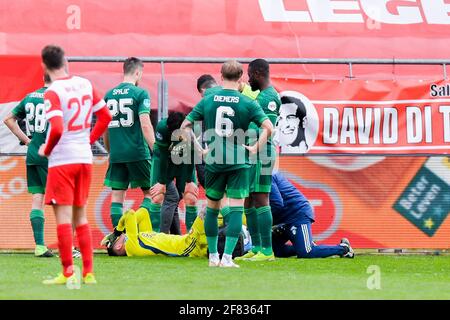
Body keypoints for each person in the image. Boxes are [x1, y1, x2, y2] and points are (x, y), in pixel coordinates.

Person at [181, 60, 273, 268]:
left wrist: (200, 149)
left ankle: (213, 257)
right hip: (238, 162)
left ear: (221, 76)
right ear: (241, 77)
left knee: (212, 209)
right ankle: (227, 258)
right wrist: (255, 147)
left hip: (213, 160)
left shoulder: (208, 99)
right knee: (236, 209)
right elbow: (269, 127)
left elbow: (185, 125)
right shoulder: (247, 102)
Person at [39, 45, 112, 285]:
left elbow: (58, 128)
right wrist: (88, 140)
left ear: (44, 65)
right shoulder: (84, 83)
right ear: (65, 61)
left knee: (63, 217)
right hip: (84, 158)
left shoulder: (53, 92)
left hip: (63, 160)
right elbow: (105, 117)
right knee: (80, 216)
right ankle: (89, 273)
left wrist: (46, 150)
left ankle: (68, 272)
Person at [3, 74, 54, 257]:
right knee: (64, 201)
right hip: (49, 155)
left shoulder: (30, 97)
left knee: (38, 198)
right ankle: (70, 247)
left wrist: (26, 141)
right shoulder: (56, 97)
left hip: (32, 154)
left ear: (43, 77)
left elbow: (8, 119)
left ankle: (40, 246)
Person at [103, 57, 157, 230]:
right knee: (153, 194)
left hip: (117, 153)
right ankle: (138, 230)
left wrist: (110, 151)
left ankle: (118, 237)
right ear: (137, 72)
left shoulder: (109, 95)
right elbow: (145, 124)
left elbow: (104, 128)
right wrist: (156, 149)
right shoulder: (140, 93)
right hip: (137, 152)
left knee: (117, 196)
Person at [240, 59, 281, 262]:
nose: (248, 79)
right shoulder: (261, 96)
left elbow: (268, 128)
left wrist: (255, 145)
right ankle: (255, 247)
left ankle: (267, 250)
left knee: (261, 198)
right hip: (252, 152)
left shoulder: (270, 97)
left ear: (257, 73)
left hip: (262, 152)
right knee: (248, 199)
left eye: (249, 74)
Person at [268, 172, 354, 259]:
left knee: (307, 252)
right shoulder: (265, 173)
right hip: (285, 218)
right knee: (275, 250)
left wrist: (266, 224)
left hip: (297, 214)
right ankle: (304, 246)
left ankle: (344, 249)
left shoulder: (266, 175)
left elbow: (277, 204)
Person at [149, 111, 199, 232]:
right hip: (162, 159)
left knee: (190, 197)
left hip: (184, 160)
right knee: (158, 197)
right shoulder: (162, 128)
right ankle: (157, 239)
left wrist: (189, 180)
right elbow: (163, 155)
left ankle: (189, 240)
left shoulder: (193, 128)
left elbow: (192, 154)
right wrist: (161, 182)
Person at [102, 208, 207, 258]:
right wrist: (118, 229)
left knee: (213, 212)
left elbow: (143, 213)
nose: (119, 236)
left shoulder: (139, 240)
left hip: (188, 241)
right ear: (119, 246)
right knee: (207, 210)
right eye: (116, 238)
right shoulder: (131, 247)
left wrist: (123, 230)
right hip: (187, 247)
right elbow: (130, 214)